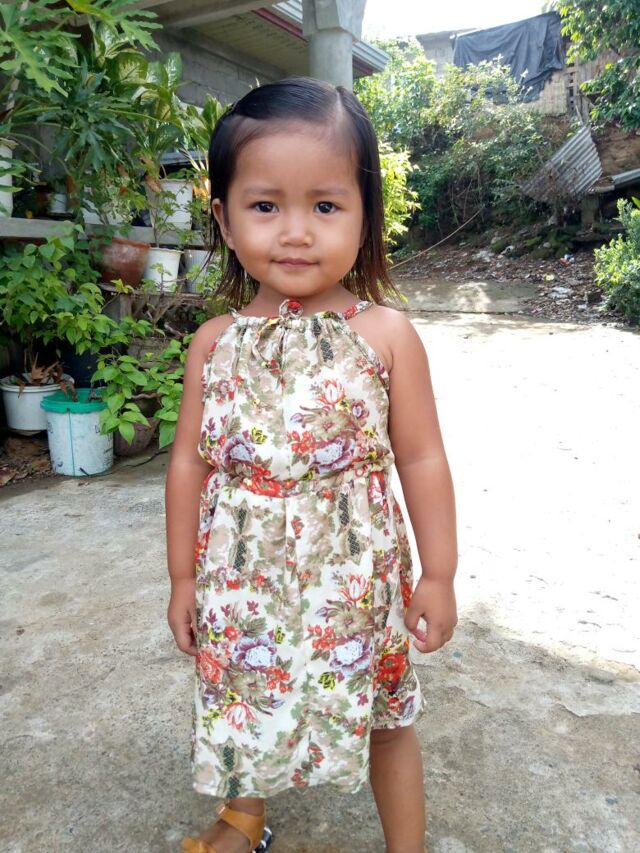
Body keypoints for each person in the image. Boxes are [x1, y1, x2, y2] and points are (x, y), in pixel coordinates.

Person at [165, 76, 458, 853]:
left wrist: (438, 572)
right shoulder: (213, 344)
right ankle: (242, 816)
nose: (296, 232)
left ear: (365, 216)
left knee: (385, 716)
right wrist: (182, 578)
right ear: (224, 219)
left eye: (326, 206)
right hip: (241, 575)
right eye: (266, 206)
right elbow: (190, 465)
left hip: (354, 581)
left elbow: (423, 456)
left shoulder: (386, 334)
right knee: (242, 698)